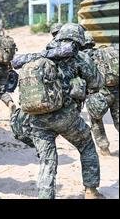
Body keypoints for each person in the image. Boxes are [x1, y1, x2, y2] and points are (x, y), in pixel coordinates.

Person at [28, 23, 104, 199]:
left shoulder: (43, 53)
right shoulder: (79, 57)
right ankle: (91, 191)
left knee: (47, 161)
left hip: (38, 117)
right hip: (66, 117)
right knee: (86, 145)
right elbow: (97, 83)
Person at [83, 31, 119, 156]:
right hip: (116, 91)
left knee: (96, 120)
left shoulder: (84, 57)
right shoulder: (108, 52)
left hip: (99, 94)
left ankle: (104, 149)